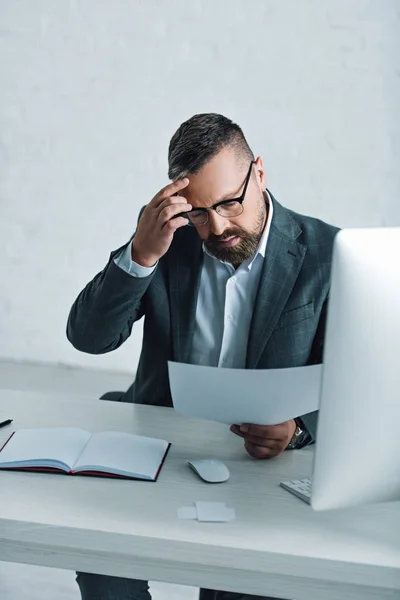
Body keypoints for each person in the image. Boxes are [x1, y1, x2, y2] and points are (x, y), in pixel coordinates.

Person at [67, 113, 339, 600]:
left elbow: (362, 379)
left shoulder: (328, 253)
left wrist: (299, 427)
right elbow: (89, 338)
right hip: (162, 441)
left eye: (229, 203)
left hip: (259, 463)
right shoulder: (169, 240)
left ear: (258, 173)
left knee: (237, 586)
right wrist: (140, 255)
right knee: (99, 559)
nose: (216, 227)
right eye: (197, 211)